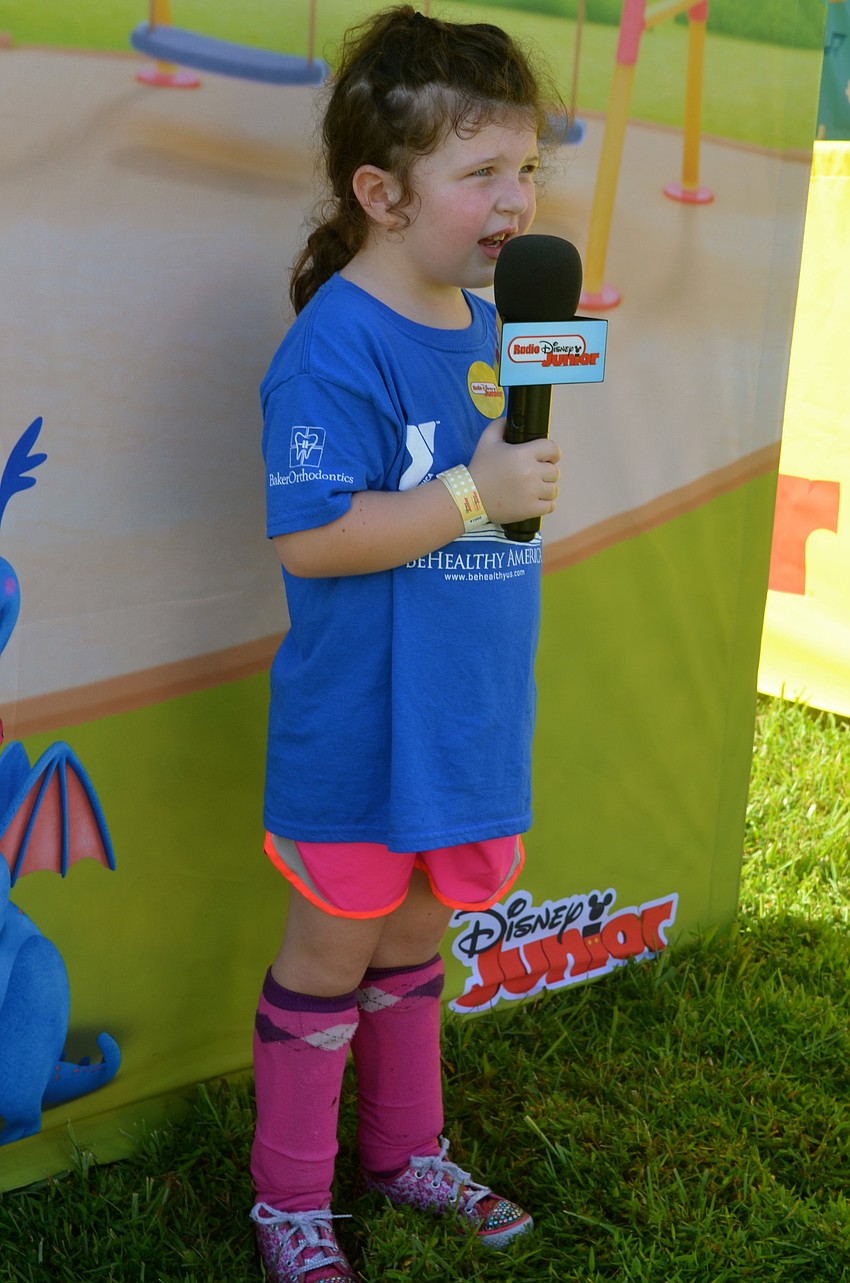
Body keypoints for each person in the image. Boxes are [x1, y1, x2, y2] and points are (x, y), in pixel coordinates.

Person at [250, 7, 563, 1280]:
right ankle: (289, 1199)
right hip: (362, 731)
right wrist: (477, 491)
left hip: (464, 718)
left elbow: (499, 501)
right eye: (480, 171)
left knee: (414, 947)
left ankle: (404, 1150)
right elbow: (313, 535)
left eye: (526, 167)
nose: (516, 199)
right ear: (381, 194)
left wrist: (513, 485)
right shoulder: (332, 348)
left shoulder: (497, 331)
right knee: (330, 953)